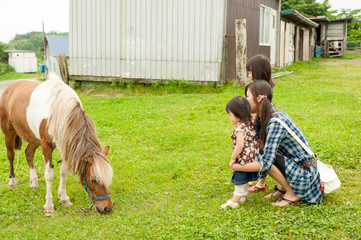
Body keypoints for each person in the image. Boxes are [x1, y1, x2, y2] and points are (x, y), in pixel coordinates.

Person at [229, 80, 323, 206]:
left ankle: (291, 193)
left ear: (258, 98)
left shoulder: (275, 122)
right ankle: (283, 189)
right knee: (261, 149)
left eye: (247, 97)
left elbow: (266, 162)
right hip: (301, 169)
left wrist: (237, 167)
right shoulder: (271, 115)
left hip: (306, 178)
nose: (245, 101)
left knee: (262, 154)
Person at [221, 96, 261, 208]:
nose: (229, 118)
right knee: (245, 178)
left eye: (230, 115)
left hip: (243, 158)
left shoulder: (240, 128)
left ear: (238, 115)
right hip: (252, 157)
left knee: (240, 178)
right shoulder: (249, 123)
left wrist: (233, 159)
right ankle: (243, 197)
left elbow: (240, 145)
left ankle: (234, 201)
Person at [246, 54, 274, 192]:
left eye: (250, 71)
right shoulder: (261, 86)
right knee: (258, 149)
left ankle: (261, 182)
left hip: (261, 124)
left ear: (258, 71)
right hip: (261, 123)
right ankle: (257, 178)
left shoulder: (261, 88)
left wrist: (251, 123)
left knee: (260, 149)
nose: (249, 74)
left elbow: (257, 110)